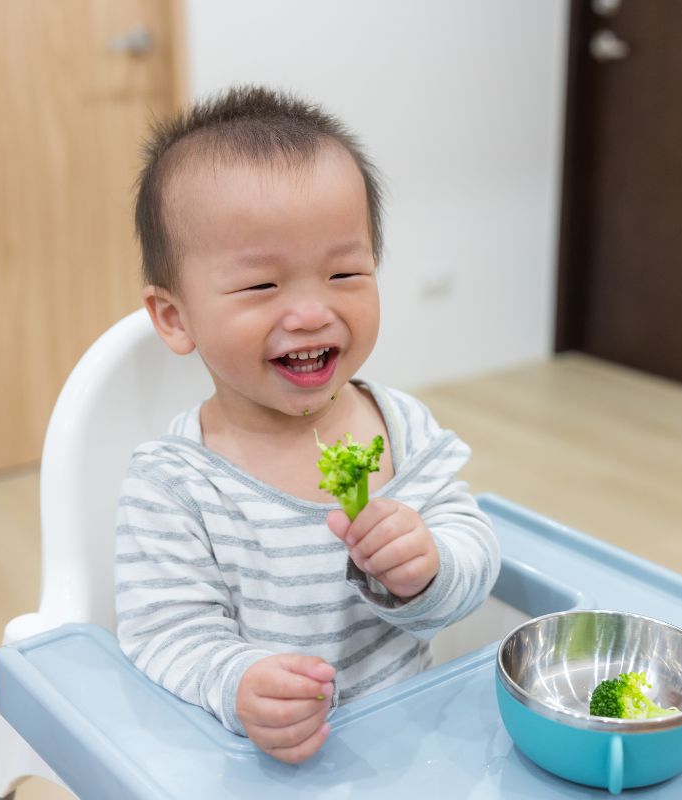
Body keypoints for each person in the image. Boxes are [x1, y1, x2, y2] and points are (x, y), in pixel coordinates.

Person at [115, 85, 499, 765]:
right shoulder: (175, 482)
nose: (310, 313)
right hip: (261, 766)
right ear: (175, 317)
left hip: (411, 749)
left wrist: (430, 568)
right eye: (262, 286)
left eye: (345, 272)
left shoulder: (401, 426)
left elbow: (475, 552)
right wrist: (239, 684)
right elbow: (165, 634)